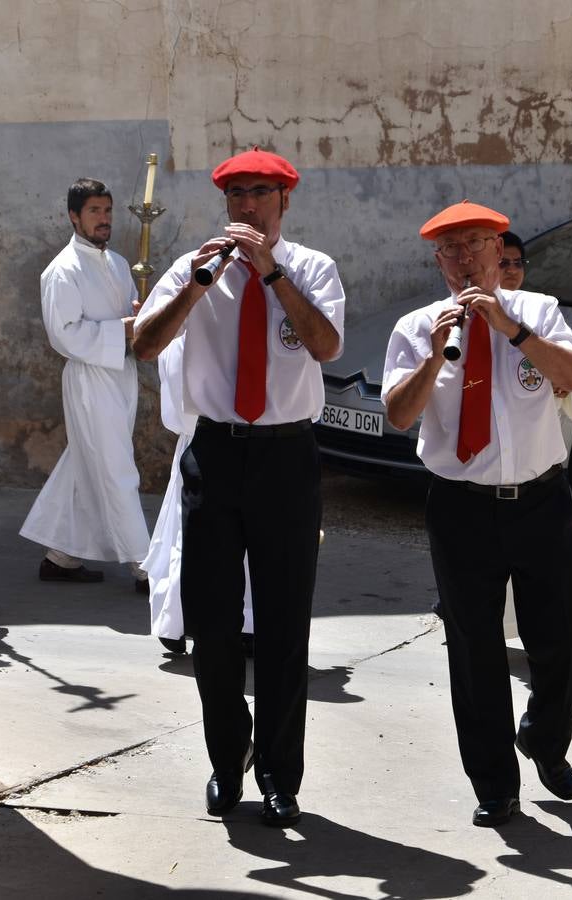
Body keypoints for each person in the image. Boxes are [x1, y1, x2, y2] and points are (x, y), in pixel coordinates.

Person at [132, 147, 344, 827]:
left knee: (284, 627)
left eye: (259, 194)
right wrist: (197, 286)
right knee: (213, 626)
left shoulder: (312, 269)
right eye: (236, 196)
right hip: (216, 454)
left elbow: (326, 345)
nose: (246, 207)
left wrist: (272, 275)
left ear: (285, 201)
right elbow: (144, 344)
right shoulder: (196, 266)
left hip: (286, 457)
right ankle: (229, 759)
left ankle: (282, 776)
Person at [382, 200, 572, 828]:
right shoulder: (418, 325)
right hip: (462, 507)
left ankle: (545, 739)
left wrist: (510, 331)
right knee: (474, 649)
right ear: (438, 261)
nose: (465, 259)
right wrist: (435, 352)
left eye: (476, 245)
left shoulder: (538, 311)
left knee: (565, 638)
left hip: (539, 499)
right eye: (451, 249)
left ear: (501, 251)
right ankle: (495, 784)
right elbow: (398, 414)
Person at [20, 178, 150, 590]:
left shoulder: (117, 263)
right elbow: (65, 336)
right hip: (90, 380)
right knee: (115, 468)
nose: (104, 219)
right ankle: (146, 566)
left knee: (86, 460)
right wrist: (125, 330)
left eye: (108, 210)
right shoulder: (61, 272)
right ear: (74, 216)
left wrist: (140, 320)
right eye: (94, 211)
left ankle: (60, 556)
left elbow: (132, 318)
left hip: (121, 374)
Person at [142, 334, 254, 656]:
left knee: (183, 535)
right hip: (216, 444)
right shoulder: (201, 342)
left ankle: (174, 623)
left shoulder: (178, 341)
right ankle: (231, 625)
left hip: (195, 442)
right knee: (212, 541)